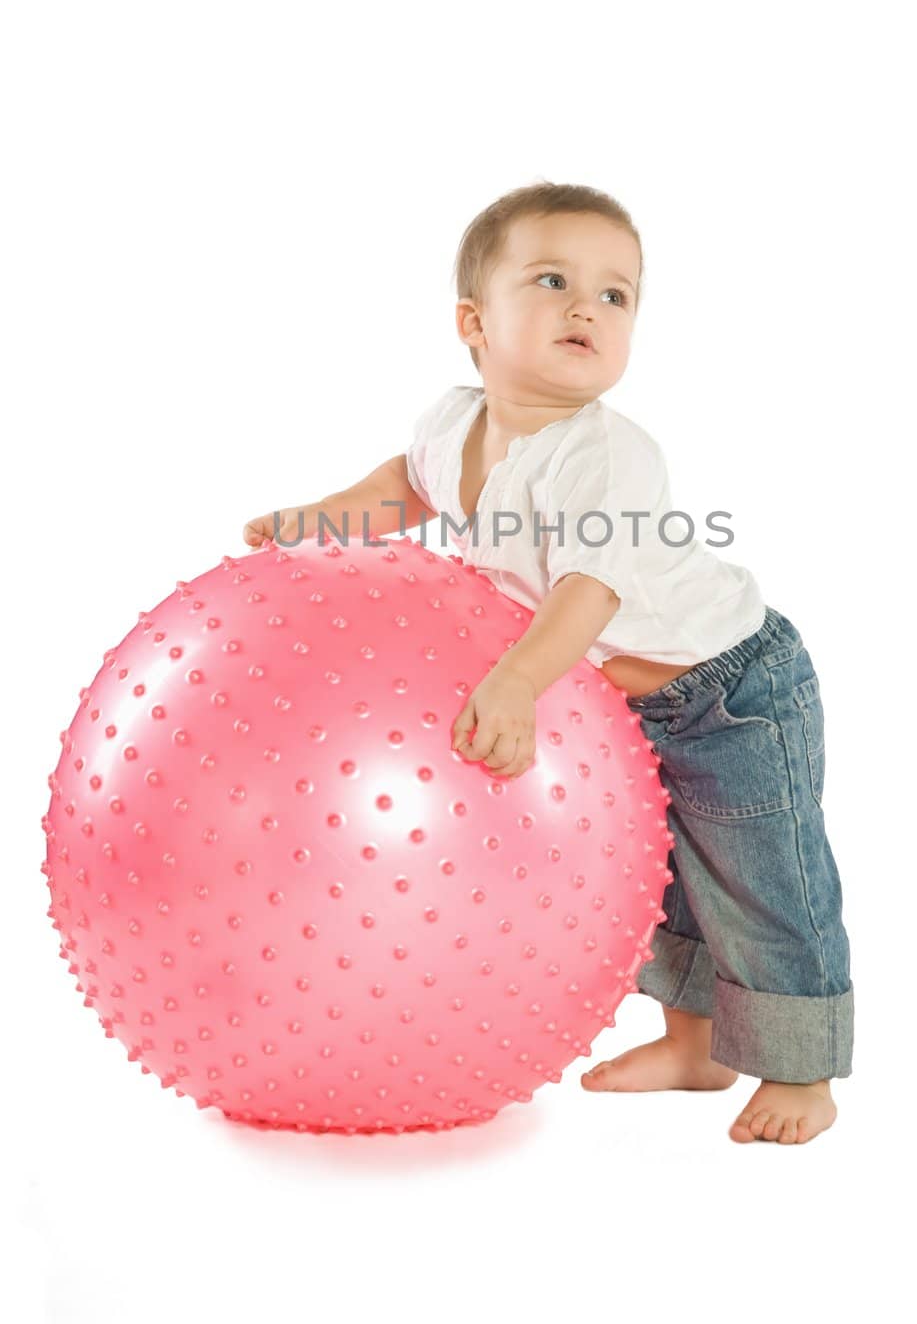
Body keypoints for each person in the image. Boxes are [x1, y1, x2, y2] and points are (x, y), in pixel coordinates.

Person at [243, 181, 854, 1146]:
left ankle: (803, 1068)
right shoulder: (452, 425)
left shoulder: (609, 456)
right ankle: (695, 1043)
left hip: (734, 691)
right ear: (473, 323)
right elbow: (403, 487)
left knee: (758, 878)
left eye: (617, 295)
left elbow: (589, 589)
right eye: (554, 280)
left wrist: (521, 679)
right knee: (663, 880)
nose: (588, 307)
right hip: (625, 702)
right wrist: (318, 523)